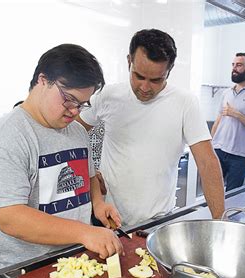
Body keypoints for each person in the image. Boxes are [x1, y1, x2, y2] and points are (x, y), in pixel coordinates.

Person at [0, 44, 123, 271]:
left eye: (82, 104)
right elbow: (10, 217)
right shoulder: (5, 138)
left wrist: (98, 203)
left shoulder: (76, 131)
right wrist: (85, 232)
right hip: (27, 271)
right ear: (43, 80)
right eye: (69, 99)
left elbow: (89, 177)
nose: (75, 111)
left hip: (77, 262)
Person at [77, 29, 225, 226]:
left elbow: (207, 163)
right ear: (129, 61)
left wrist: (221, 223)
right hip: (108, 218)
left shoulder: (185, 103)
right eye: (138, 76)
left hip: (156, 222)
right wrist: (90, 172)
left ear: (169, 71)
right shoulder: (108, 95)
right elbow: (73, 133)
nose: (145, 87)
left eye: (156, 80)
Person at [211, 52, 245, 191]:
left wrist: (237, 114)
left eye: (239, 65)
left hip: (241, 155)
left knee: (231, 195)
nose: (234, 68)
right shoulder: (226, 93)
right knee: (213, 190)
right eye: (233, 65)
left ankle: (228, 214)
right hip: (219, 149)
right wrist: (210, 144)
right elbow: (219, 120)